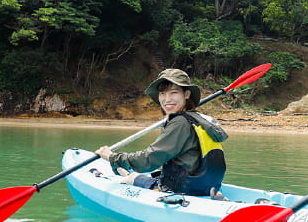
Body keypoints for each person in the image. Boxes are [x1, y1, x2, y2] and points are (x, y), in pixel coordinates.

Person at [95, 69, 227, 196]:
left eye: (173, 92)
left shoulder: (180, 122)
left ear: (186, 94)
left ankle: (130, 176)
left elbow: (148, 160)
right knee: (155, 173)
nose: (167, 99)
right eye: (162, 94)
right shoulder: (199, 118)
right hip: (205, 186)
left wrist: (112, 157)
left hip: (183, 189)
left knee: (132, 177)